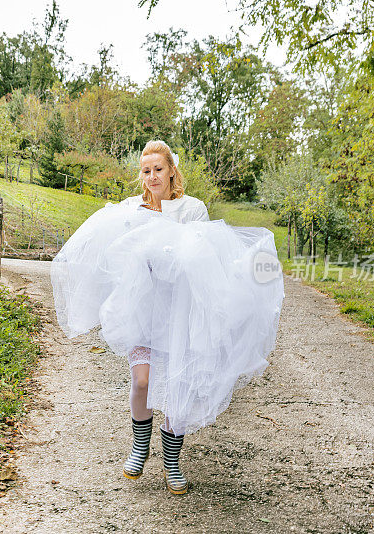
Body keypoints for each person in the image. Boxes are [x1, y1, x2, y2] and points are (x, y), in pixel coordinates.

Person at [50, 140, 284, 495]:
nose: (153, 176)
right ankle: (139, 447)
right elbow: (117, 255)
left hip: (181, 312)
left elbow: (202, 256)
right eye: (146, 171)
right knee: (141, 381)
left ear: (172, 169)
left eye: (158, 169)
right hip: (143, 309)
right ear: (140, 174)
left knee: (178, 390)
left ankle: (172, 463)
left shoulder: (193, 209)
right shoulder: (132, 210)